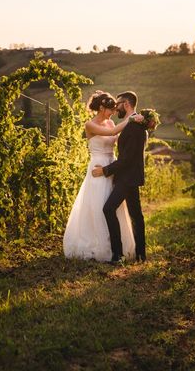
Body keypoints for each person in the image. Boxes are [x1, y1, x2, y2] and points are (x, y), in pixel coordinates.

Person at [63, 91, 143, 262]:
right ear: (100, 108)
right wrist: (130, 119)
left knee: (112, 207)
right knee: (99, 205)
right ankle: (99, 245)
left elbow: (122, 138)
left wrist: (141, 128)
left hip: (112, 166)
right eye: (110, 109)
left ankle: (118, 249)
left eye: (114, 108)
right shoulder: (90, 125)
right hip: (99, 167)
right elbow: (113, 132)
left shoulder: (110, 121)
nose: (113, 112)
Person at [92, 91, 147, 263]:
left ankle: (118, 255)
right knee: (136, 214)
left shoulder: (134, 125)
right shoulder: (135, 123)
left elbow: (127, 158)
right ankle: (140, 254)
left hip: (127, 177)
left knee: (109, 209)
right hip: (130, 176)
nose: (116, 107)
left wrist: (106, 170)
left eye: (118, 103)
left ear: (126, 104)